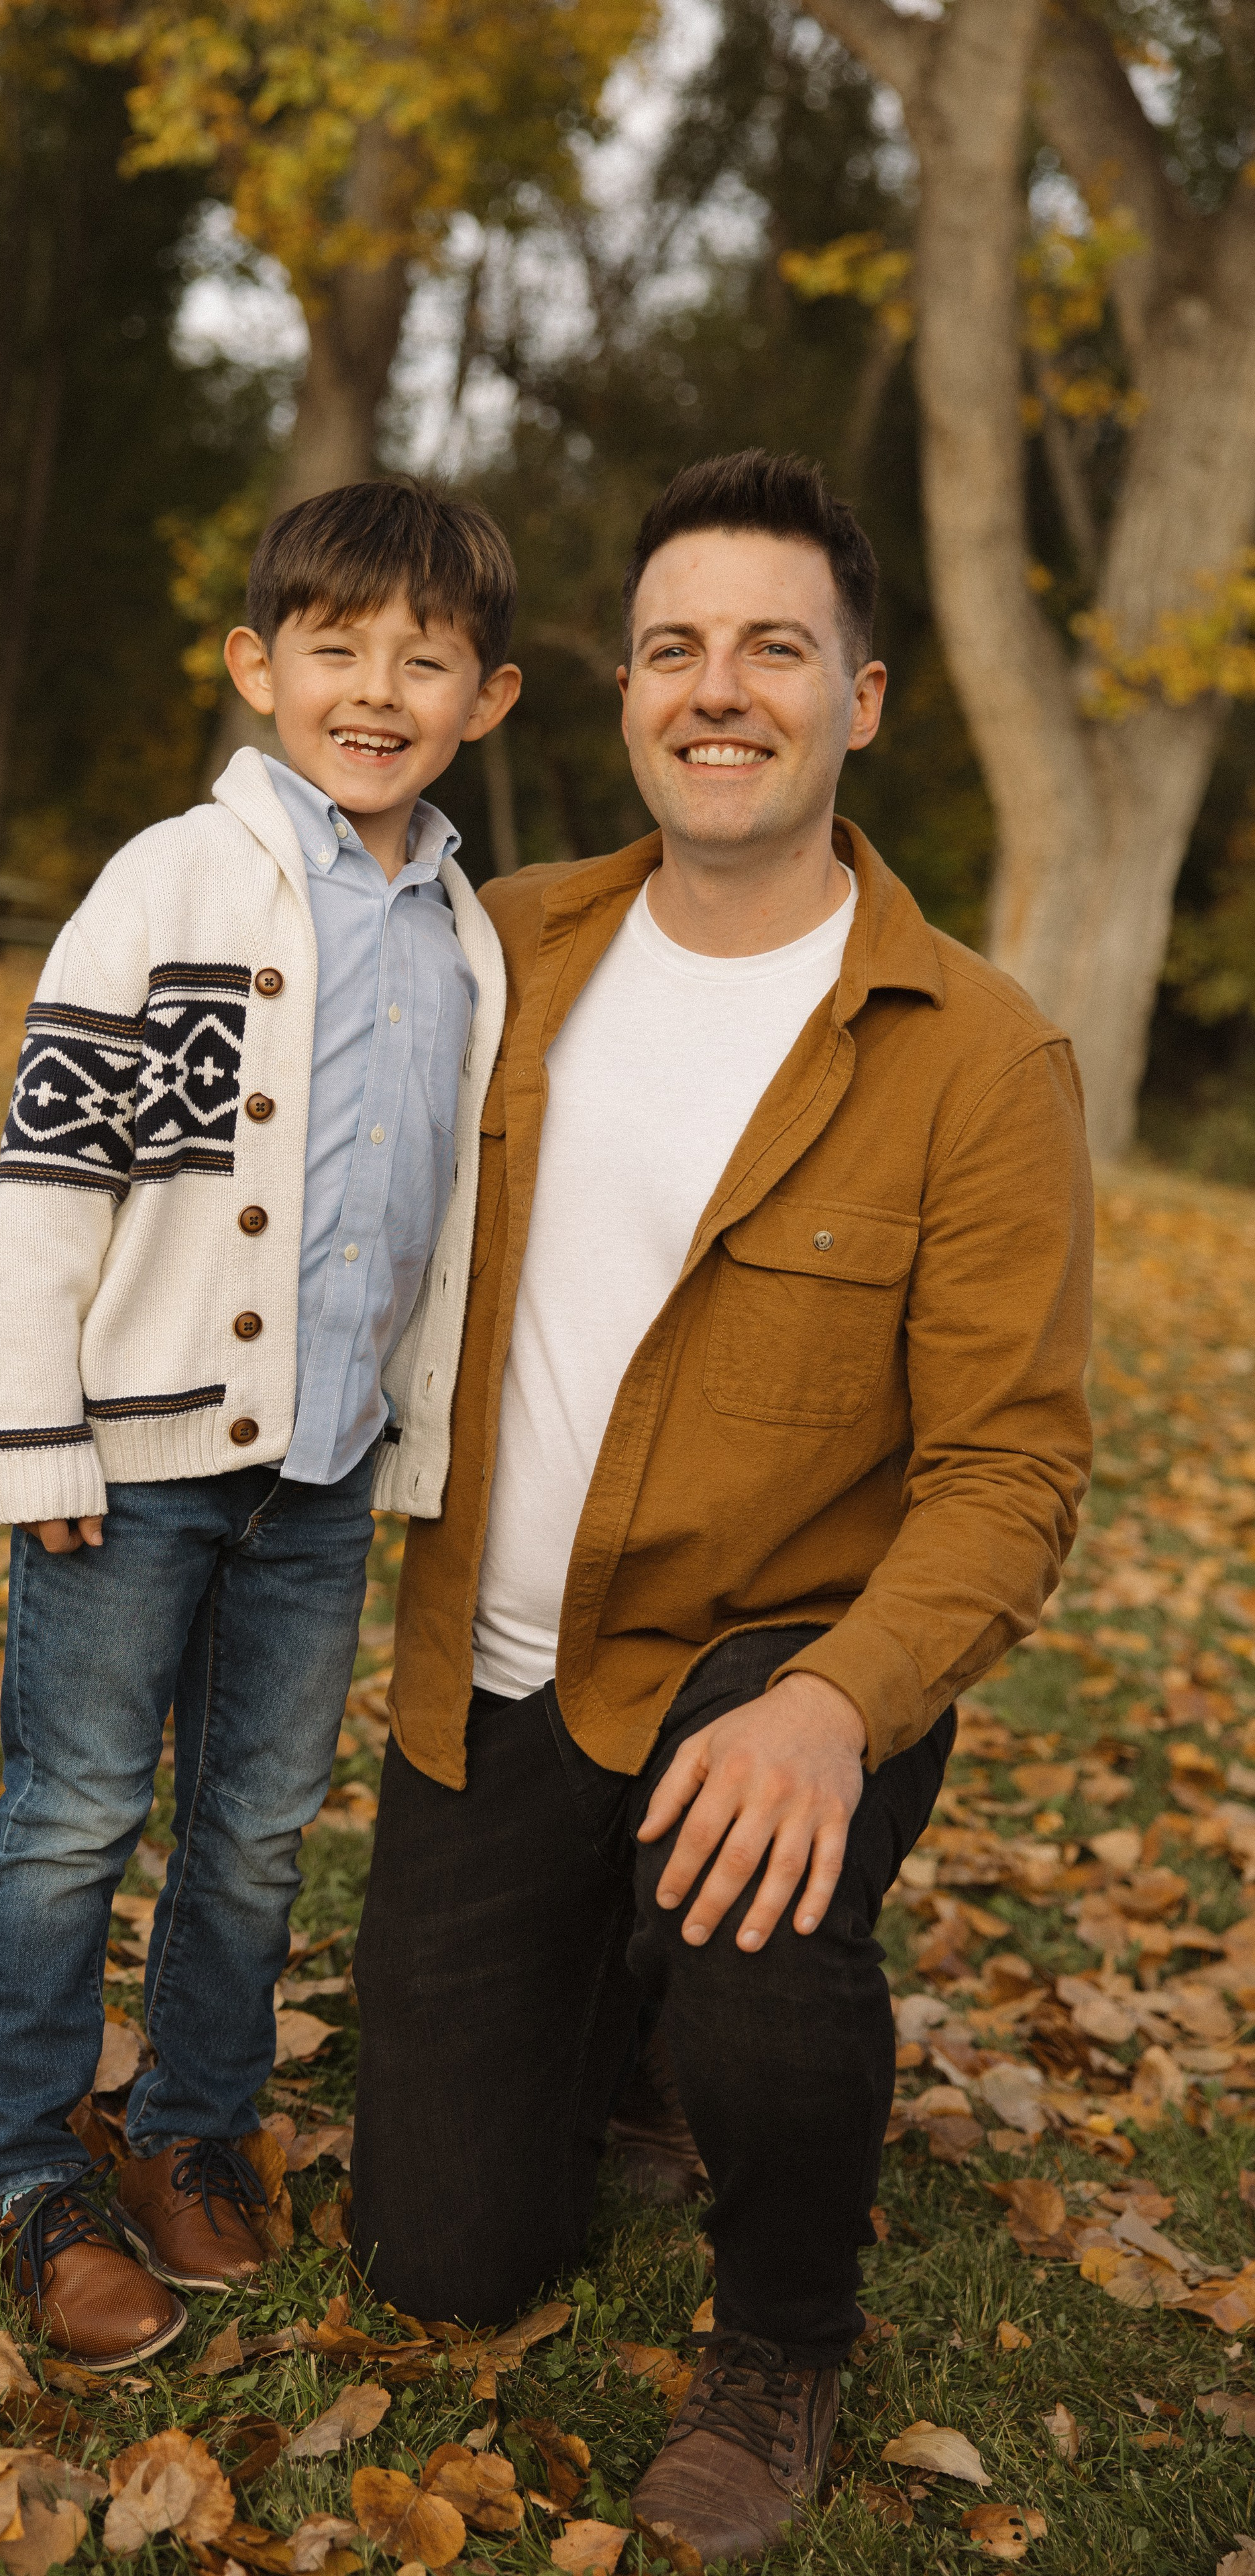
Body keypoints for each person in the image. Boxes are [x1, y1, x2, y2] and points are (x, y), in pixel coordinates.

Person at [350, 450, 1092, 2565]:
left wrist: (840, 1710)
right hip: (498, 1675)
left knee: (760, 1889)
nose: (719, 688)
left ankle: (783, 2337)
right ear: (622, 693)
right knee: (441, 2258)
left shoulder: (980, 1057)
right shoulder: (499, 949)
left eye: (777, 647)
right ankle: (629, 2029)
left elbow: (1013, 1465)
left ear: (862, 699)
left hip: (769, 1658)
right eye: (675, 647)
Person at [0, 478, 521, 2369]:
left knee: (261, 1826)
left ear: (488, 698)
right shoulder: (169, 883)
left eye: (423, 658)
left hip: (326, 1475)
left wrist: (408, 1446)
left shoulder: (465, 935)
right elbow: (58, 1168)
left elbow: (431, 1225)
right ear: (257, 664)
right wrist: (35, 1432)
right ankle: (22, 2169)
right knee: (77, 1814)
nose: (378, 687)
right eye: (337, 647)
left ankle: (194, 2125)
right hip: (136, 1456)